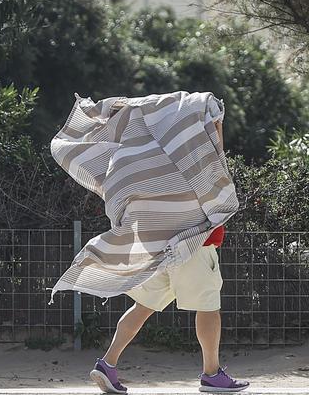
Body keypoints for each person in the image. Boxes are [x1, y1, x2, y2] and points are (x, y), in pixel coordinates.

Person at [48, 92, 248, 394]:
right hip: (195, 245)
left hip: (161, 247)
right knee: (208, 307)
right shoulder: (194, 162)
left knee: (142, 306)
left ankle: (108, 364)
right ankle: (211, 374)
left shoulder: (158, 160)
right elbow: (214, 153)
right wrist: (215, 119)